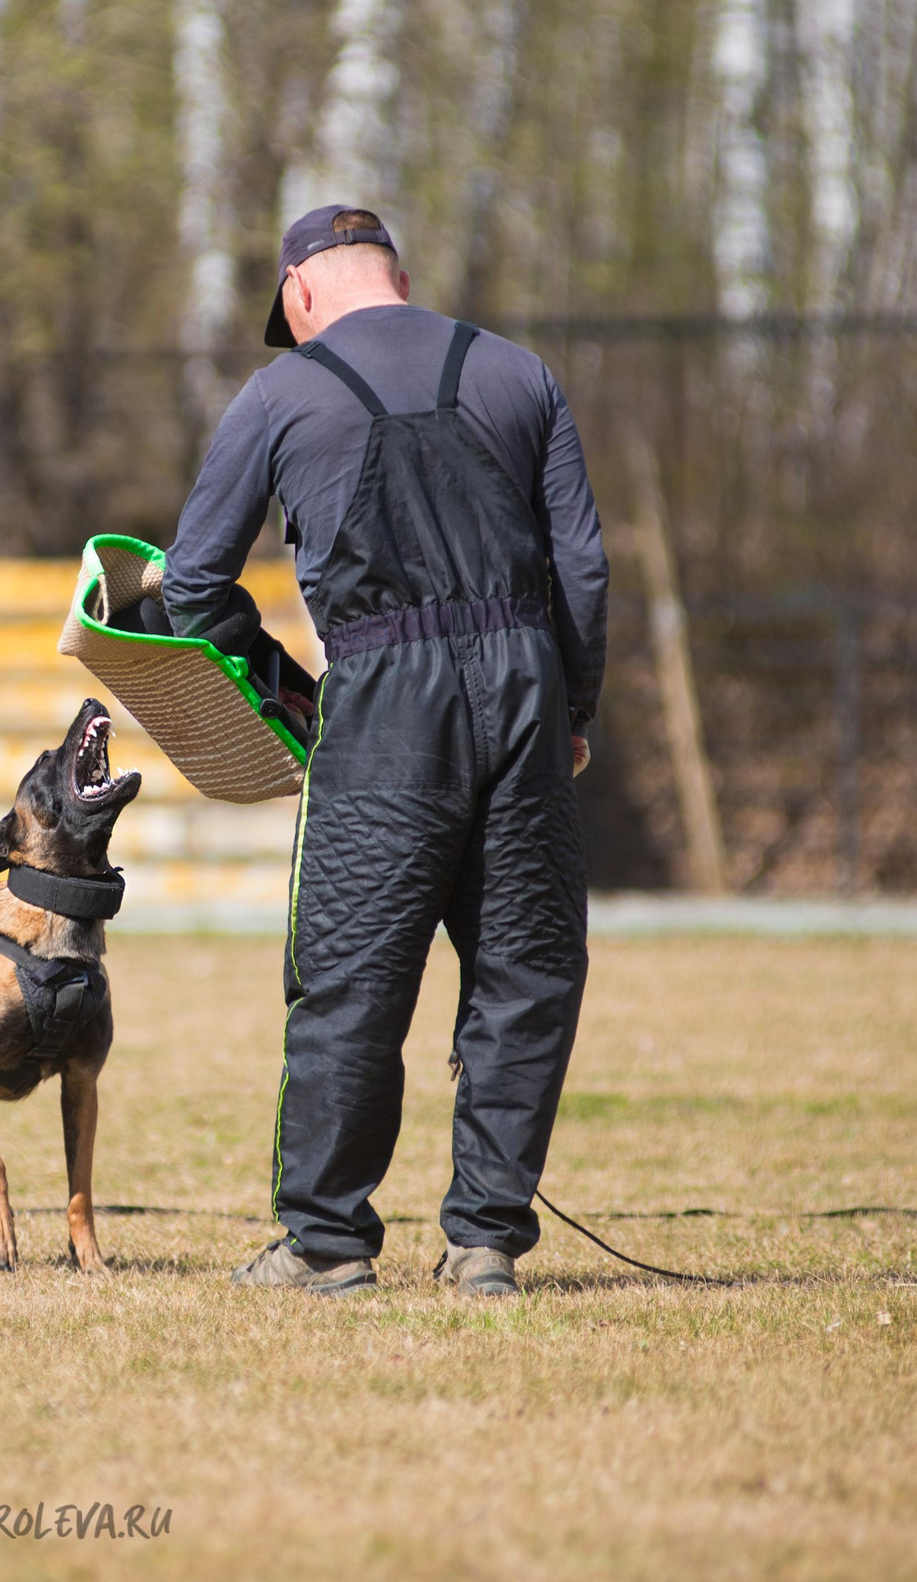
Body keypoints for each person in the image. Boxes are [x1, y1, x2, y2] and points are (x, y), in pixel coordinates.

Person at [174, 208, 608, 1300]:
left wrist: (286, 694)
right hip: (525, 683)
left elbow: (188, 588)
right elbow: (583, 569)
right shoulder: (521, 373)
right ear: (400, 279)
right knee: (525, 968)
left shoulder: (281, 391)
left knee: (350, 978)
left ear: (298, 294)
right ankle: (486, 1241)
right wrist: (572, 710)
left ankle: (324, 1241)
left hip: (379, 697)